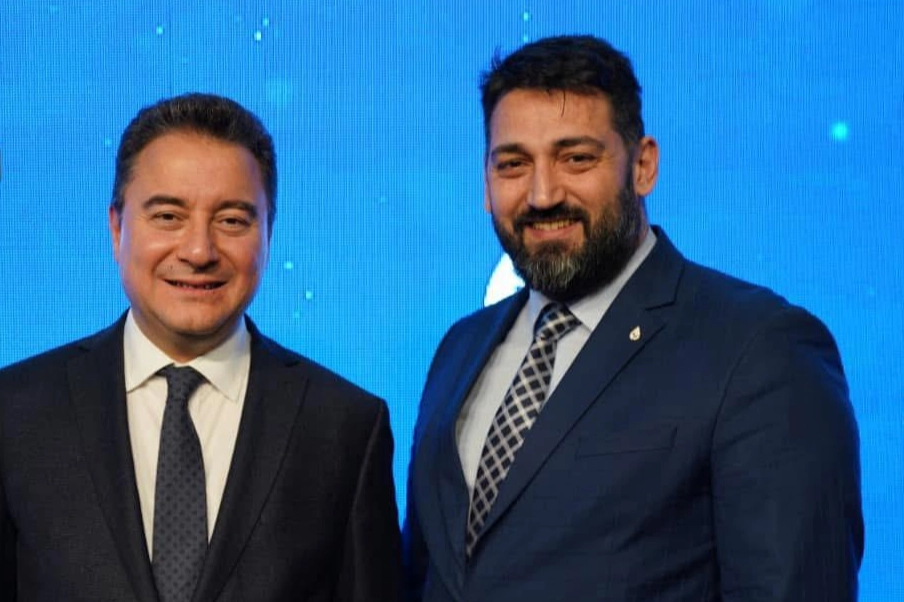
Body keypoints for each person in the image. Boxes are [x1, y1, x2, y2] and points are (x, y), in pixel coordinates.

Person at [403, 35, 863, 602]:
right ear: (486, 180)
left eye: (576, 158)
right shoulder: (460, 348)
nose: (542, 194)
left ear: (643, 166)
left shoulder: (759, 349)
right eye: (514, 164)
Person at [0, 93, 401, 601]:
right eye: (168, 216)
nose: (198, 250)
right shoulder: (16, 412)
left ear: (269, 233)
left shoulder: (345, 426)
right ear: (117, 227)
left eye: (232, 220)